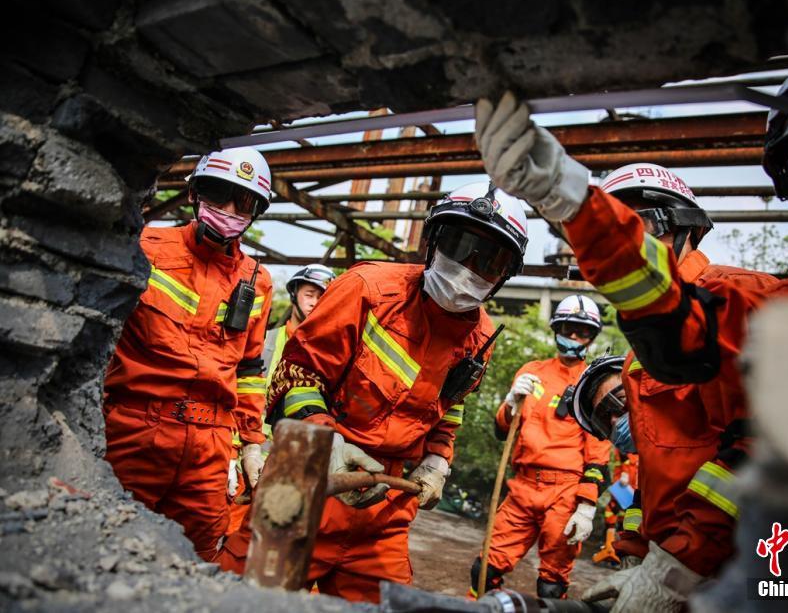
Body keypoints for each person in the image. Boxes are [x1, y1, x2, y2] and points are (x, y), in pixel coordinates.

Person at [473, 90, 788, 611]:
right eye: (612, 229)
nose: (622, 249)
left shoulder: (748, 300)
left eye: (639, 227)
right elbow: (653, 482)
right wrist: (638, 557)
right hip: (678, 564)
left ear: (687, 228)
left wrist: (676, 570)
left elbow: (766, 456)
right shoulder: (637, 362)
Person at [217, 180, 529, 603]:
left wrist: (438, 460)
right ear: (434, 240)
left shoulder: (481, 337)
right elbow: (296, 372)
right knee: (244, 601)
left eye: (489, 260)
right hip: (309, 476)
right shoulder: (368, 288)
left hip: (386, 503)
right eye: (459, 245)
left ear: (504, 275)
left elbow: (449, 409)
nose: (467, 268)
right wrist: (325, 441)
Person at [104, 147, 274, 560]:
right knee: (107, 541)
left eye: (244, 202)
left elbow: (250, 368)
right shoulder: (146, 246)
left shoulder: (259, 281)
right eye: (219, 194)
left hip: (210, 445)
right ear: (196, 194)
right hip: (133, 428)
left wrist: (251, 443)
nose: (230, 209)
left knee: (193, 556)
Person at [468, 295, 612, 600]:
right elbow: (503, 430)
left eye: (582, 331)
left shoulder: (593, 383)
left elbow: (599, 451)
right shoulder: (531, 371)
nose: (574, 336)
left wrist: (587, 506)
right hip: (522, 487)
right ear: (557, 328)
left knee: (551, 583)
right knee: (485, 570)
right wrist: (509, 404)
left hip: (565, 493)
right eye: (569, 328)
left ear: (592, 337)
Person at [226, 262, 338, 535]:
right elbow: (236, 395)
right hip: (249, 463)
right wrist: (231, 452)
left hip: (295, 472)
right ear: (294, 295)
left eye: (322, 297)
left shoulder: (334, 355)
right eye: (309, 294)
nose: (314, 302)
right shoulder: (265, 344)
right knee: (227, 541)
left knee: (276, 553)